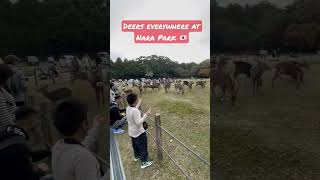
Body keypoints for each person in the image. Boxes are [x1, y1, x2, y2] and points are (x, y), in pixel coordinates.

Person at [51, 99, 107, 180]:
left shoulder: (58, 147)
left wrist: (95, 127)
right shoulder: (83, 158)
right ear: (84, 125)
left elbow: (83, 145)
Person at [0, 107, 51, 180]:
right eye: (38, 118)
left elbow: (29, 155)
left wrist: (49, 152)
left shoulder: (8, 135)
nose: (39, 122)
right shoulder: (17, 145)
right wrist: (40, 171)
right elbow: (26, 177)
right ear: (30, 119)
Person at [126, 93, 153, 169]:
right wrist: (146, 114)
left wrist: (139, 103)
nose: (138, 99)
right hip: (139, 133)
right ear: (135, 100)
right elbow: (138, 122)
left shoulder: (128, 108)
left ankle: (136, 156)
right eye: (137, 98)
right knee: (142, 146)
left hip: (132, 132)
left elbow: (134, 110)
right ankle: (144, 162)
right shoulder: (135, 111)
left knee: (135, 145)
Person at [0, 64, 16, 130]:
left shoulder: (2, 89)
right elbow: (4, 117)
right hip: (6, 130)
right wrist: (15, 130)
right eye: (9, 77)